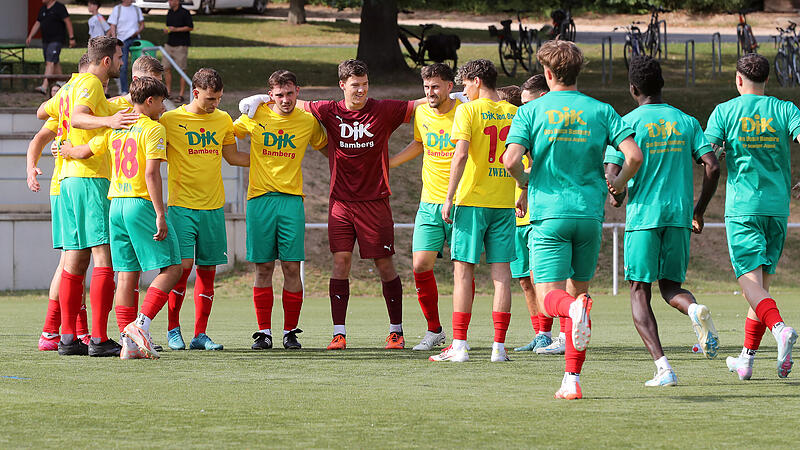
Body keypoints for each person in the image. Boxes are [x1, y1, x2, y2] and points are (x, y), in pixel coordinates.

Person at [504, 40, 643, 399]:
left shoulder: (531, 111)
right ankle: (571, 381)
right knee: (578, 295)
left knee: (552, 296)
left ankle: (573, 313)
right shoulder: (602, 110)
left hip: (549, 214)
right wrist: (617, 183)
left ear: (547, 74)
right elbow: (634, 156)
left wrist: (524, 181)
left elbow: (510, 160)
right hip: (588, 215)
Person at [604, 56, 721, 387]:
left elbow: (614, 177)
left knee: (639, 290)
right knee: (671, 287)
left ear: (633, 88)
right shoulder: (686, 121)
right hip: (679, 216)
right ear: (661, 85)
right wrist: (698, 210)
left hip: (644, 218)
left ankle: (663, 367)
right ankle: (694, 310)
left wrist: (616, 192)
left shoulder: (627, 123)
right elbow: (712, 166)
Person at [60, 76, 182, 360]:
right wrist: (160, 214)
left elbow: (84, 151)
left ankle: (128, 343)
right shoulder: (153, 130)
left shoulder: (117, 127)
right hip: (140, 203)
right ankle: (141, 325)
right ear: (150, 101)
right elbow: (151, 174)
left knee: (127, 274)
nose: (164, 107)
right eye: (161, 101)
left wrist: (65, 151)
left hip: (115, 205)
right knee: (173, 268)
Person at [37, 36, 140, 357]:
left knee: (74, 259)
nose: (122, 62)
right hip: (90, 178)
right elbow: (81, 115)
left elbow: (42, 111)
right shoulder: (91, 83)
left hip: (66, 180)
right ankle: (97, 338)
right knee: (102, 257)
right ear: (106, 60)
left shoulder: (69, 86)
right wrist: (108, 120)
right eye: (119, 57)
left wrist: (112, 107)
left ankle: (68, 338)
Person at [704, 54, 799, 381]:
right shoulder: (785, 109)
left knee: (749, 285)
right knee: (760, 289)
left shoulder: (725, 112)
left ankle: (780, 329)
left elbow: (709, 159)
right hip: (777, 210)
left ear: (738, 79)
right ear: (767, 81)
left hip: (744, 209)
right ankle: (746, 359)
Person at [428, 59, 518, 363]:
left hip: (472, 201)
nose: (464, 92)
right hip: (504, 202)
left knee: (463, 273)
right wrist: (524, 192)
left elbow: (461, 154)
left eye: (465, 84)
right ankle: (498, 347)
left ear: (477, 81)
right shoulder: (516, 113)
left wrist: (449, 196)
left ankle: (461, 345)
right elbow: (521, 158)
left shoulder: (468, 110)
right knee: (502, 275)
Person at [232, 70, 327, 350]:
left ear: (298, 92)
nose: (285, 99)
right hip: (259, 199)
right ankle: (263, 332)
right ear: (270, 94)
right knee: (263, 267)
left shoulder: (307, 121)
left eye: (290, 93)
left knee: (291, 266)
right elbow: (227, 133)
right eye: (279, 94)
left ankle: (290, 332)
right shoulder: (256, 114)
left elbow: (330, 147)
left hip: (291, 201)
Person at [159, 68, 250, 351]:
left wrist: (269, 159)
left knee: (208, 271)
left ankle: (200, 334)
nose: (215, 104)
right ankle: (173, 330)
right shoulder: (169, 120)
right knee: (181, 270)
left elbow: (233, 157)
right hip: (181, 207)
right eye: (210, 98)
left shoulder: (222, 120)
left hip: (212, 208)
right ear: (195, 93)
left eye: (219, 99)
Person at [388, 63, 461, 351]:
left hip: (461, 202)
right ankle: (435, 331)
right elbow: (419, 143)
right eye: (426, 87)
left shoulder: (464, 112)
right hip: (429, 202)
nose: (430, 92)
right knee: (420, 265)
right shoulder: (421, 113)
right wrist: (389, 162)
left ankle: (460, 336)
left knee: (461, 271)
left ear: (449, 87)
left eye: (436, 86)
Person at [28, 55, 92, 351]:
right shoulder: (75, 99)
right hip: (67, 185)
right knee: (71, 261)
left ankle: (76, 330)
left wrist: (32, 167)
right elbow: (40, 136)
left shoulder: (74, 101)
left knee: (76, 260)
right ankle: (52, 331)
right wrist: (32, 167)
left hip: (69, 184)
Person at [499, 75, 562, 355]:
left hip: (536, 211)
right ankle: (541, 334)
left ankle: (554, 333)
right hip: (512, 216)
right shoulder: (514, 130)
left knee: (540, 278)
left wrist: (524, 193)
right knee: (524, 279)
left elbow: (533, 166)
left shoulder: (538, 127)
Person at [26, 0, 75, 95]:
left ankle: (44, 86)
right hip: (46, 41)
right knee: (54, 62)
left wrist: (71, 37)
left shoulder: (59, 7)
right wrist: (30, 35)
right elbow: (38, 22)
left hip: (56, 40)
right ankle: (63, 83)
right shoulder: (43, 9)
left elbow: (68, 21)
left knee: (50, 62)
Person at [108, 0, 145, 94]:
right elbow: (113, 25)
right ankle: (124, 90)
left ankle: (139, 89)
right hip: (123, 40)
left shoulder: (136, 9)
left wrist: (138, 31)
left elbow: (142, 24)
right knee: (123, 66)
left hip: (135, 39)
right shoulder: (118, 9)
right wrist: (114, 39)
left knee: (139, 65)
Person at [163, 0, 193, 102]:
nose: (169, 2)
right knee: (165, 67)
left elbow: (190, 27)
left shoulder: (185, 12)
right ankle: (168, 92)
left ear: (177, 1)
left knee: (182, 70)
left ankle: (181, 95)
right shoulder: (170, 12)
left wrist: (176, 29)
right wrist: (167, 30)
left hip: (181, 45)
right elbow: (169, 26)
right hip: (169, 44)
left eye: (171, 0)